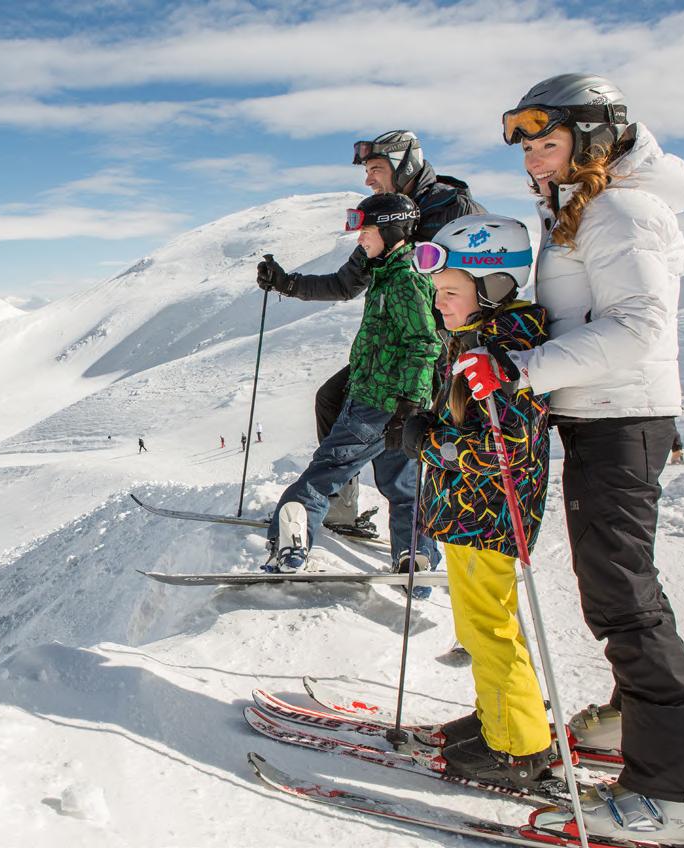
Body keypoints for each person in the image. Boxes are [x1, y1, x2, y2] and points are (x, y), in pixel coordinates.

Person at [456, 73, 684, 843]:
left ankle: (682, 791)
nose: (532, 160)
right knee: (615, 589)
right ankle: (634, 729)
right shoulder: (583, 206)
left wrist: (521, 368)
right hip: (600, 414)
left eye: (546, 144)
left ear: (594, 141)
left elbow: (637, 326)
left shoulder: (619, 209)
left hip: (620, 417)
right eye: (526, 148)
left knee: (622, 600)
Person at [259, 130, 482, 561]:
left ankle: (320, 508)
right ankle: (389, 533)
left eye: (376, 169)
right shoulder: (382, 222)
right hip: (393, 355)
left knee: (392, 438)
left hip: (435, 353)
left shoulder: (452, 209)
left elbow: (479, 278)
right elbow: (347, 282)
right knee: (337, 402)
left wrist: (441, 367)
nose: (368, 179)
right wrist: (287, 283)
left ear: (405, 165)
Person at [401, 214, 551, 790]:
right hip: (470, 511)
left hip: (486, 513)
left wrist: (429, 444)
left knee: (488, 627)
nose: (438, 302)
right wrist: (428, 422)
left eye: (450, 291)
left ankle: (517, 747)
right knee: (480, 624)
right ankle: (500, 717)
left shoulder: (503, 350)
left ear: (493, 287)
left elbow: (504, 449)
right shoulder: (476, 338)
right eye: (437, 291)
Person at [263, 193, 439, 574]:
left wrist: (408, 406)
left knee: (323, 473)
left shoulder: (404, 280)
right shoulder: (389, 271)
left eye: (367, 231)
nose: (360, 239)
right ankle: (415, 556)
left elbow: (425, 344)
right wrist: (408, 409)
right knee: (403, 487)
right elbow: (342, 284)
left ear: (391, 231)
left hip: (374, 404)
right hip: (396, 406)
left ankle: (290, 545)